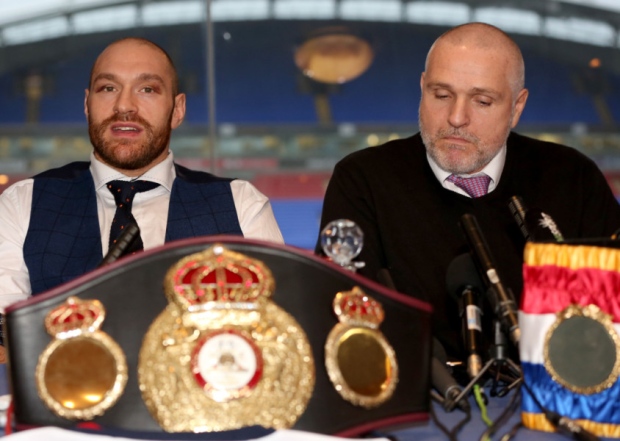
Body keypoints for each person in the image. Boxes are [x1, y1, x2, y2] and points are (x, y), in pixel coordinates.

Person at [316, 23, 620, 360]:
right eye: (441, 95)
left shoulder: (573, 177)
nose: (457, 117)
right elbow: (344, 324)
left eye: (482, 101)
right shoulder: (362, 180)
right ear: (422, 88)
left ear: (517, 108)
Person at [0, 37, 284, 310]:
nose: (124, 106)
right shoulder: (22, 203)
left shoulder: (242, 205)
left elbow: (280, 327)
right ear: (87, 105)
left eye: (147, 89)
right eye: (108, 88)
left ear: (178, 109)